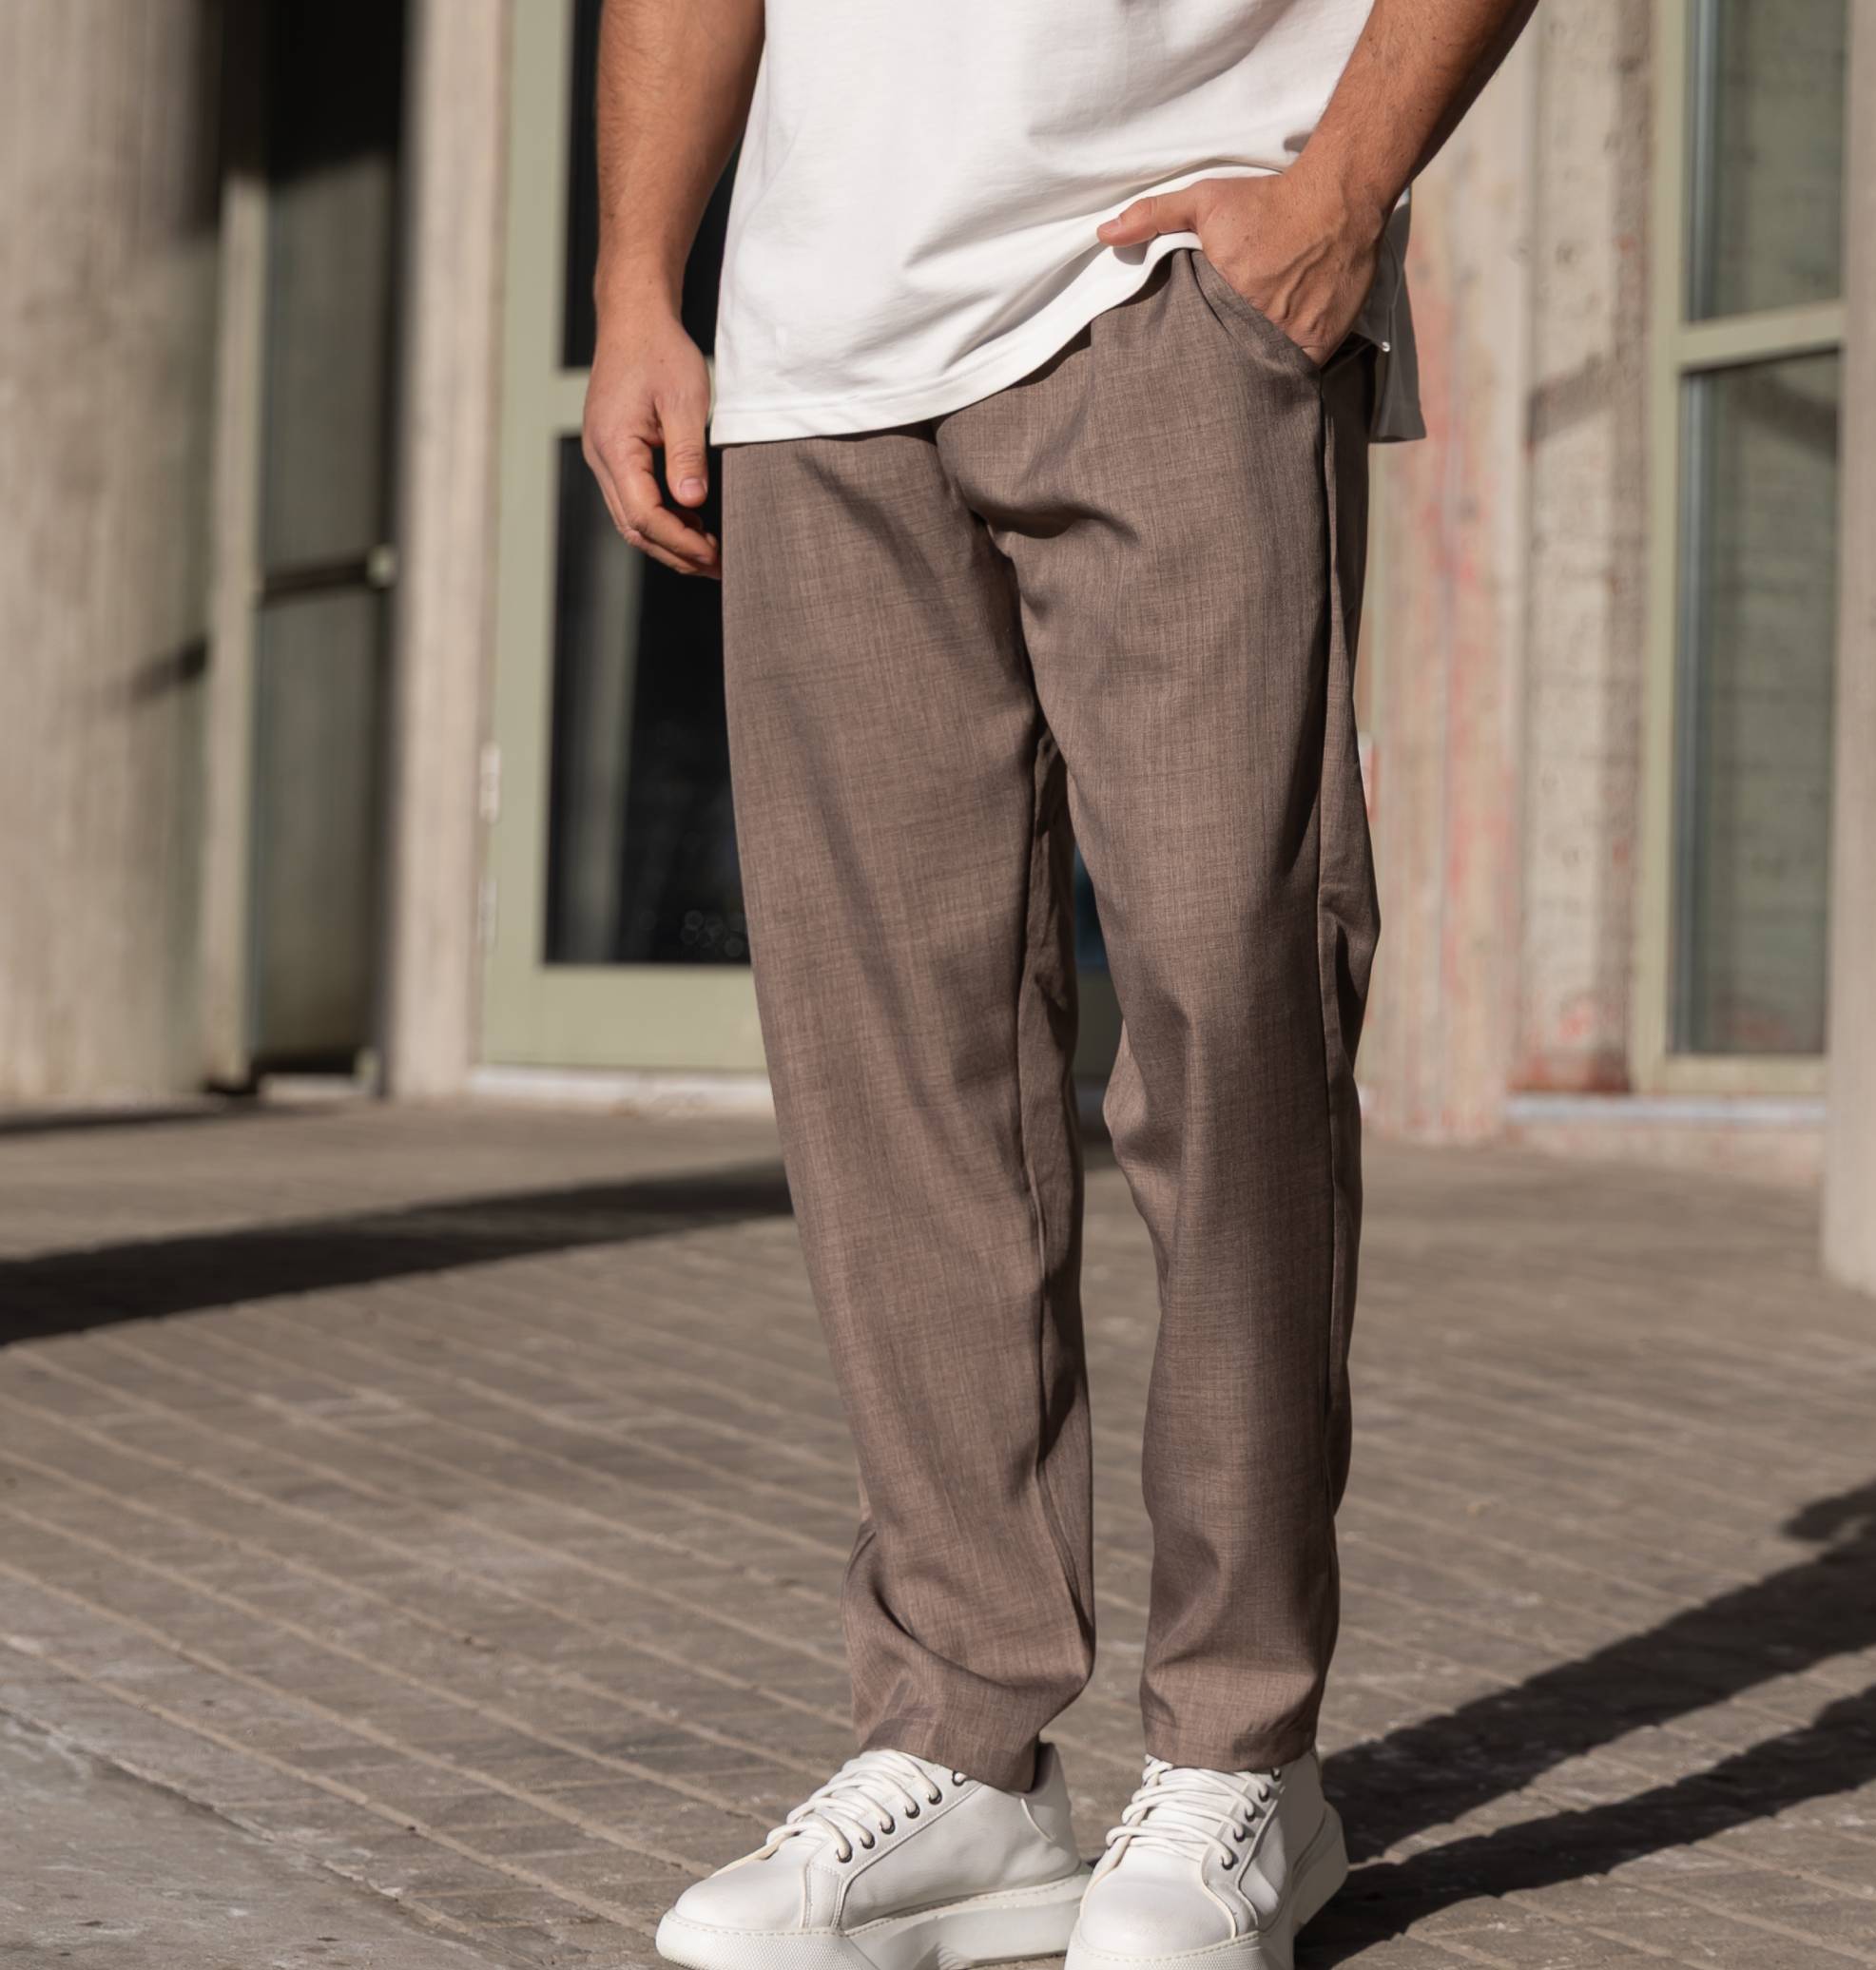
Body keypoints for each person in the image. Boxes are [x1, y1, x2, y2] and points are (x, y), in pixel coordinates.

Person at [584, 4, 1535, 1964]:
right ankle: (964, 1746)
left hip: (1173, 281)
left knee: (1234, 1012)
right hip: (819, 341)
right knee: (893, 1070)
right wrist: (636, 283)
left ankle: (1241, 1751)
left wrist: (1346, 187)